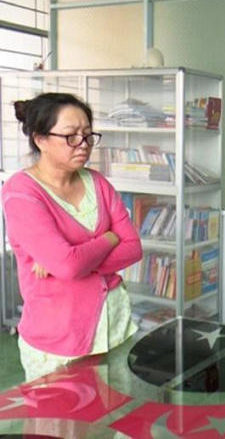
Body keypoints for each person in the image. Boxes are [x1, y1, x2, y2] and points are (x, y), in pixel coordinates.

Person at [2, 93, 142, 381]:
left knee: (118, 406)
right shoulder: (22, 192)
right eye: (71, 136)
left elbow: (133, 248)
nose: (84, 144)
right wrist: (109, 238)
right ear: (41, 139)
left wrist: (72, 260)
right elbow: (68, 265)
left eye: (88, 135)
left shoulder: (97, 182)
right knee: (63, 410)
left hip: (114, 326)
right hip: (59, 338)